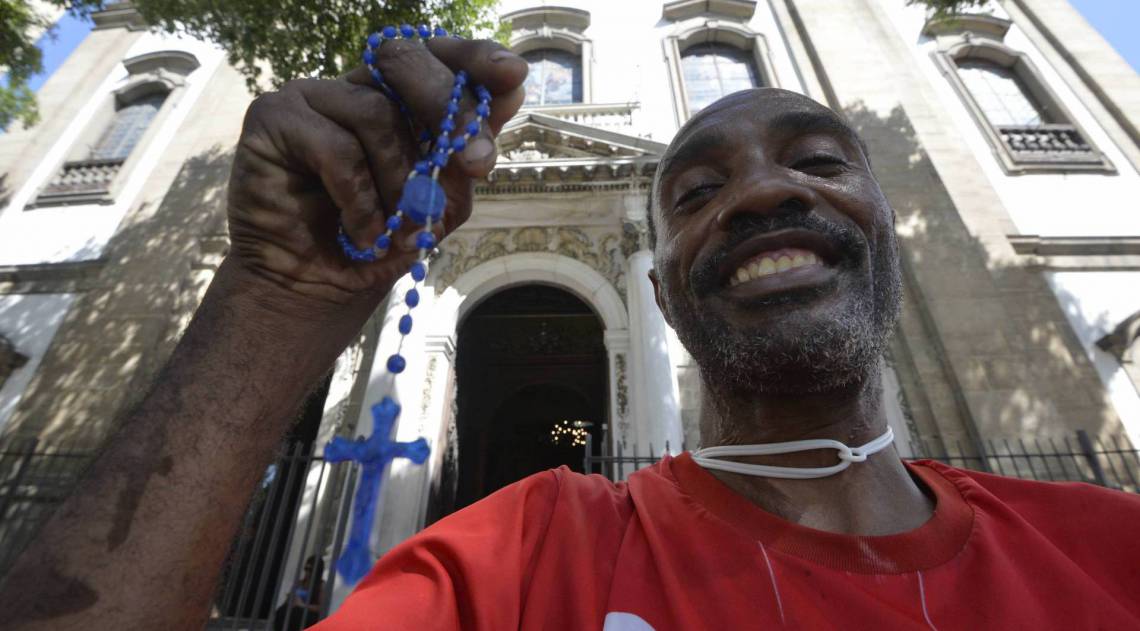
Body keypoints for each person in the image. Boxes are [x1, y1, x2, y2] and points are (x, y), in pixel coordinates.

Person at [0, 35, 1137, 631]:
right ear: (672, 278)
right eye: (692, 194)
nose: (756, 195)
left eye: (820, 160)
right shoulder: (519, 564)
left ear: (898, 215)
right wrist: (268, 308)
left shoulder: (1106, 548)